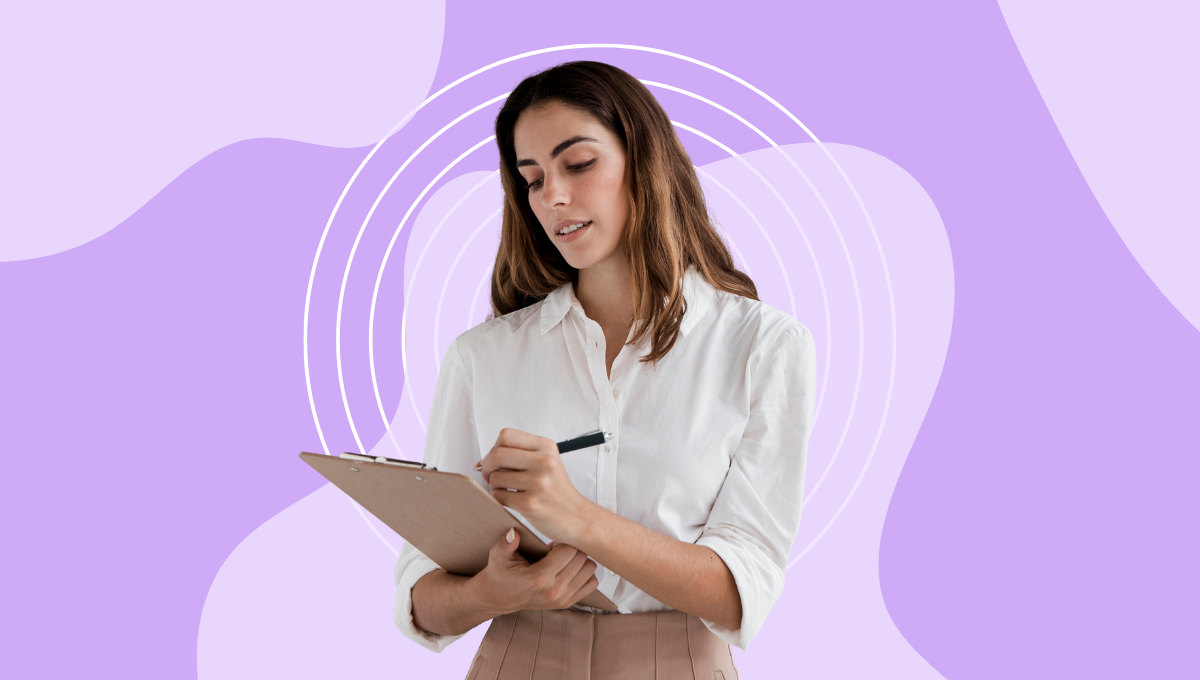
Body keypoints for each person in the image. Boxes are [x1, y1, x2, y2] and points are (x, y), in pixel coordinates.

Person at [392, 60, 816, 678]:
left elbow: (741, 590)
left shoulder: (763, 347)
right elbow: (422, 595)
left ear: (643, 162)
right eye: (531, 179)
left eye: (578, 164)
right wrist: (493, 592)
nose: (553, 196)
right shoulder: (482, 357)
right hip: (519, 656)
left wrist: (576, 517)